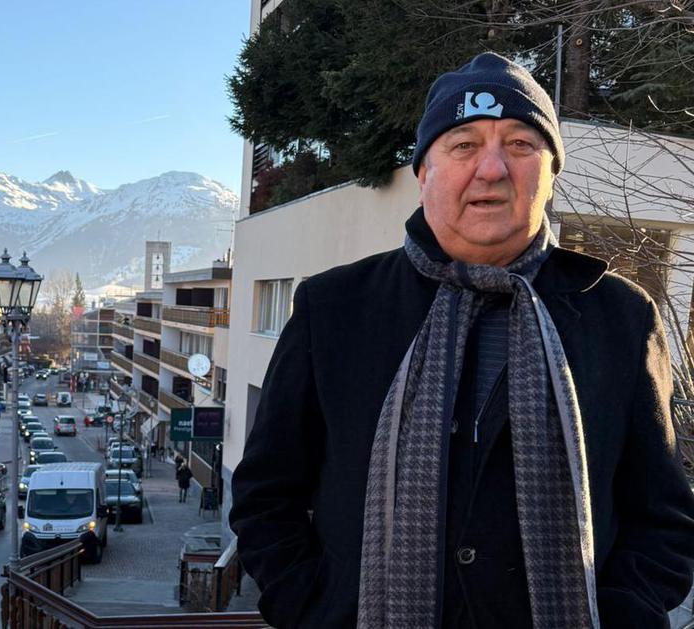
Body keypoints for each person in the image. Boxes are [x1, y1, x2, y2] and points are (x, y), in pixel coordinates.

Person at [229, 52, 694, 629]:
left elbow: (663, 517)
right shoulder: (334, 308)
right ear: (424, 173)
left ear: (551, 173)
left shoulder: (620, 316)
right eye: (463, 145)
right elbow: (266, 495)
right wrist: (314, 609)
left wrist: (622, 614)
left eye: (521, 144)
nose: (492, 169)